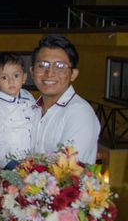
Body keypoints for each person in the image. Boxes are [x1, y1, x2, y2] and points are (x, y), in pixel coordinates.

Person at [30, 34, 100, 164]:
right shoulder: (29, 109)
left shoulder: (79, 113)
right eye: (43, 65)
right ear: (32, 71)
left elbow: (67, 173)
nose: (50, 73)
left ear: (73, 74)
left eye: (60, 66)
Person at [0, 52, 37, 177]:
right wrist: (9, 164)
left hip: (29, 158)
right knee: (10, 192)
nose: (11, 81)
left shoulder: (27, 96)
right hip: (6, 161)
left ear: (24, 78)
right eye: (4, 77)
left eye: (16, 75)